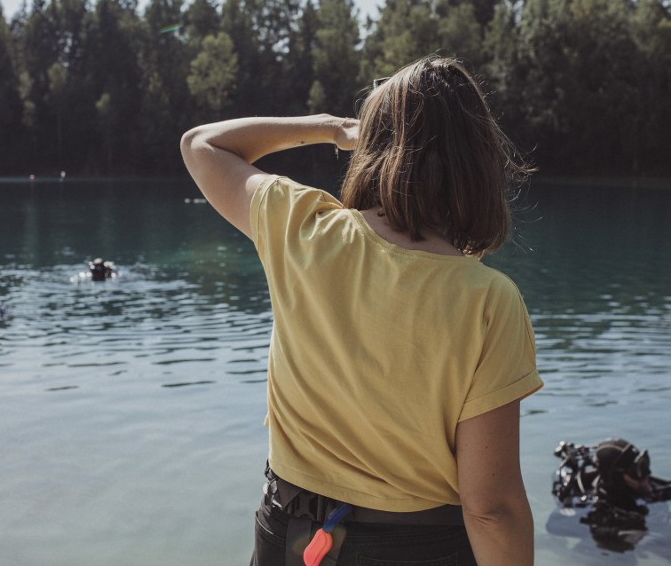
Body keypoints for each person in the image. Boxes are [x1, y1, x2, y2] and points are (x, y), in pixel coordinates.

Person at [180, 55, 543, 566]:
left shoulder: (303, 227)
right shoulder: (488, 299)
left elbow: (202, 144)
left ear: (371, 144)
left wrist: (331, 128)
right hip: (421, 550)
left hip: (290, 537)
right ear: (478, 162)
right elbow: (491, 509)